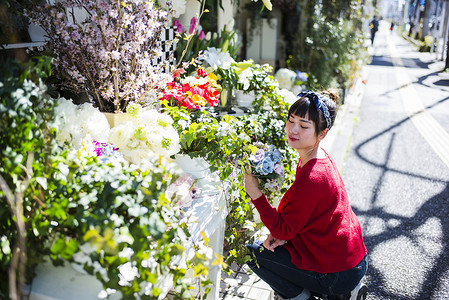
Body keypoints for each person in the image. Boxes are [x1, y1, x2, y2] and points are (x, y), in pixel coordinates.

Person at [244, 90, 368, 300]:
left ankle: (313, 296)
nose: (293, 129)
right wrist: (283, 236)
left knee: (251, 253)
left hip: (338, 272)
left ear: (323, 134)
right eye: (291, 120)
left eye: (303, 126)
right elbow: (300, 219)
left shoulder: (313, 176)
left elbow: (283, 229)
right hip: (348, 260)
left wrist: (255, 193)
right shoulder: (318, 158)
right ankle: (343, 294)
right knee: (279, 246)